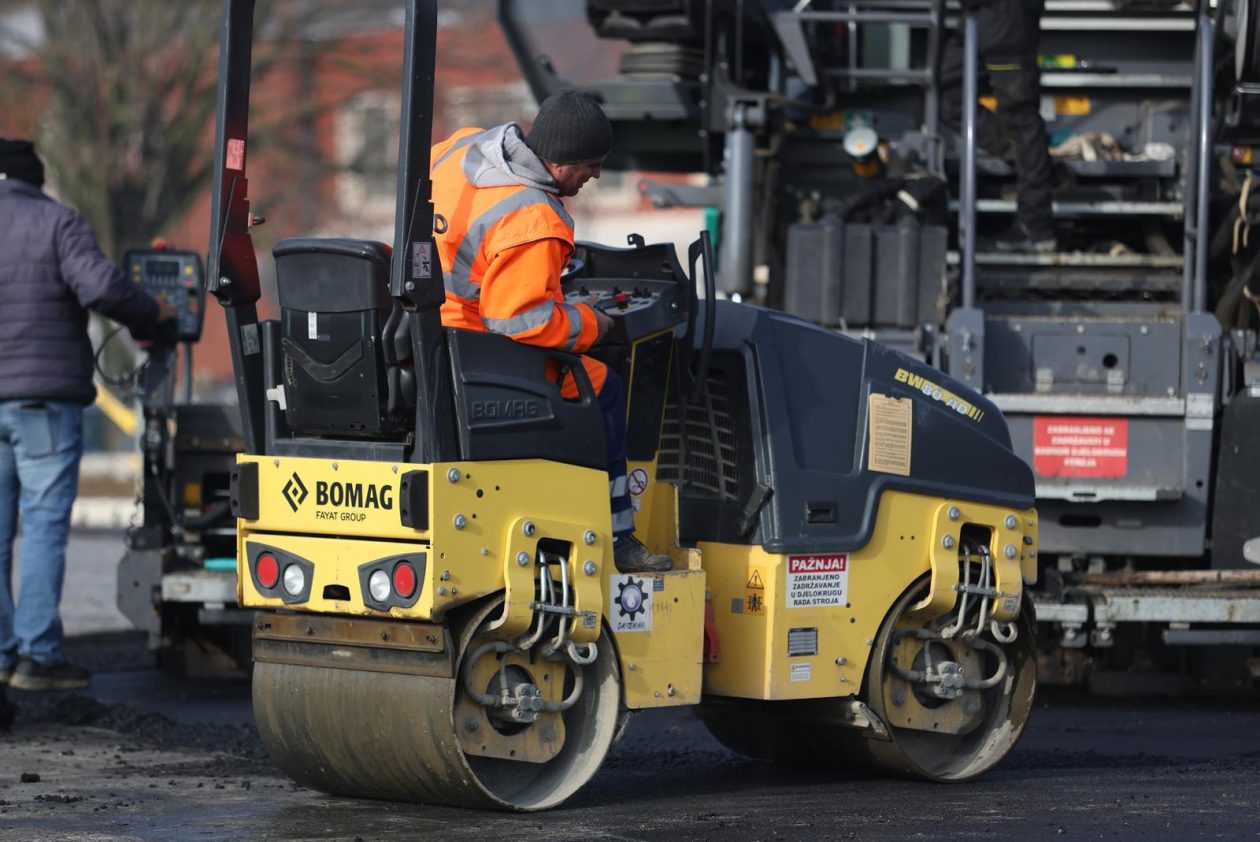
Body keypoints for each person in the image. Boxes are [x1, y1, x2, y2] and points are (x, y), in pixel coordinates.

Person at [430, 90, 671, 574]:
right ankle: (619, 535)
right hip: (477, 353)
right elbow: (521, 321)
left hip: (427, 331)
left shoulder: (461, 148)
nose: (595, 176)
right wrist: (593, 322)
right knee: (602, 384)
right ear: (562, 166)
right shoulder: (535, 219)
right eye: (592, 166)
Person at [0, 139, 175, 692]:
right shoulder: (57, 222)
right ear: (35, 178)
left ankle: (4, 654)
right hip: (43, 400)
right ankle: (40, 656)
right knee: (46, 525)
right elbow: (99, 285)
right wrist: (152, 311)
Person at [940, 0, 1056, 253]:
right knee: (946, 98)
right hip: (981, 17)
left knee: (1020, 116)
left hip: (1006, 17)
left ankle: (1035, 227)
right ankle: (1036, 166)